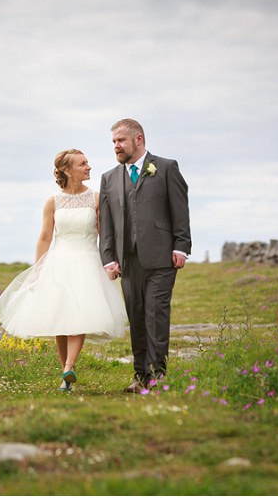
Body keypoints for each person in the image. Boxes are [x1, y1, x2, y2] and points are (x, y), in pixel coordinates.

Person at [0, 149, 128, 392]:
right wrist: (38, 268)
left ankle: (69, 365)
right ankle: (65, 377)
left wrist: (110, 261)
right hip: (59, 262)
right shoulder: (53, 202)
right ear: (67, 170)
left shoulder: (96, 198)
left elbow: (104, 235)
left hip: (87, 261)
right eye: (83, 164)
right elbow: (45, 237)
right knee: (60, 319)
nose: (89, 167)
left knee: (79, 315)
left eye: (87, 162)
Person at [99, 119, 191, 393]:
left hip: (161, 258)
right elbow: (107, 224)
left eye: (121, 140)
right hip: (128, 262)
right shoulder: (109, 178)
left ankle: (157, 377)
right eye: (114, 141)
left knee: (156, 316)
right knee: (137, 317)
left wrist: (181, 246)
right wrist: (108, 258)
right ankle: (140, 376)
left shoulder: (165, 168)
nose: (116, 146)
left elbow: (180, 209)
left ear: (138, 140)